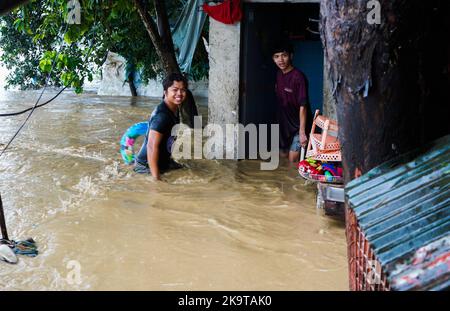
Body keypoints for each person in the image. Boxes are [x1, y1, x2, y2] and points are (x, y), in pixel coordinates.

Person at [134, 73, 187, 180]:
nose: (179, 93)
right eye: (175, 90)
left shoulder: (174, 109)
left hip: (163, 162)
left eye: (183, 90)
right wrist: (156, 179)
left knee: (189, 170)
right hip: (146, 167)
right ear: (165, 92)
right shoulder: (162, 116)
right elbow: (151, 146)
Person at [272, 41, 309, 163]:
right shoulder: (278, 74)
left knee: (292, 161)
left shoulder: (298, 77)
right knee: (282, 159)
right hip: (284, 127)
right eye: (276, 56)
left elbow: (303, 105)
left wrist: (302, 132)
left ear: (291, 56)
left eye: (284, 55)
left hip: (298, 127)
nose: (280, 60)